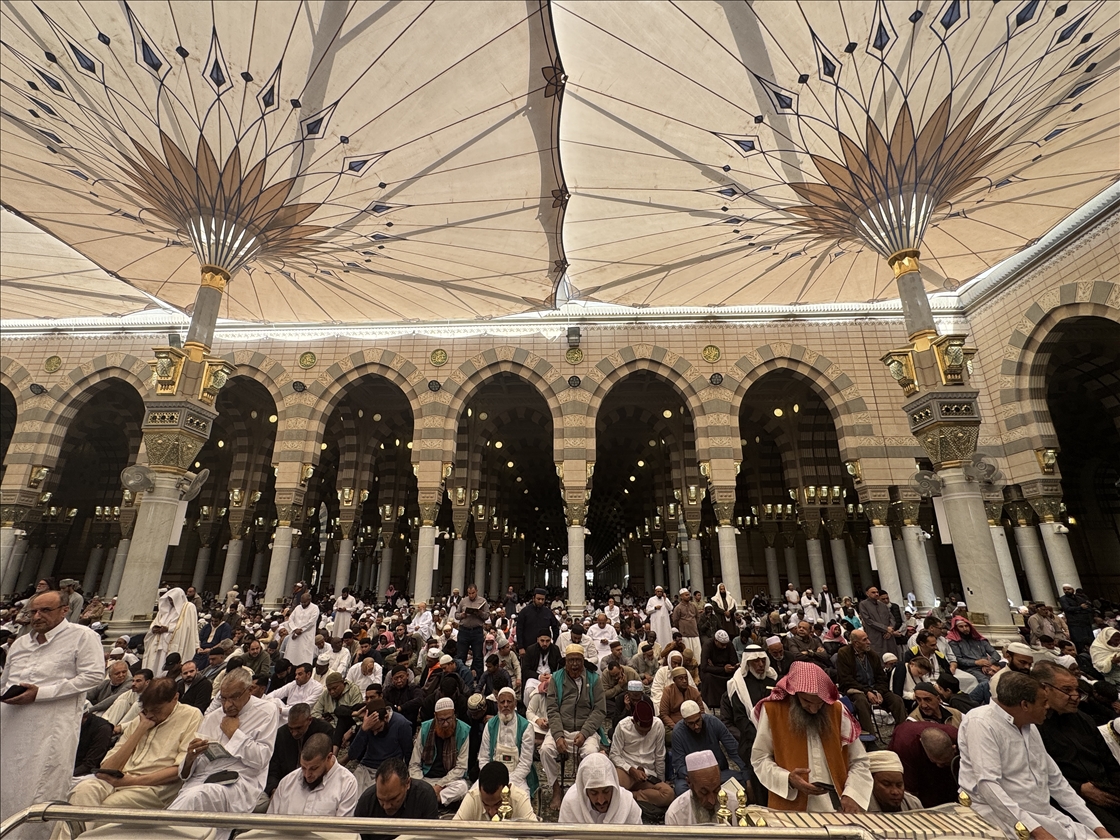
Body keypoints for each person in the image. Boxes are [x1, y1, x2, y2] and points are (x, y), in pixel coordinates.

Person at [1, 590, 105, 840]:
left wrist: (41, 693)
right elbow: (6, 682)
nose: (37, 616)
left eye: (45, 610)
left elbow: (93, 675)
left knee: (40, 786)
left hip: (50, 728)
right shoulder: (21, 643)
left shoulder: (82, 636)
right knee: (6, 783)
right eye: (33, 611)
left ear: (64, 610)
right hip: (11, 725)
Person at [959, 671, 1111, 840]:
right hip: (998, 815)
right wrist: (1036, 831)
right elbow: (988, 784)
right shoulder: (980, 722)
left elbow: (1057, 782)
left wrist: (1098, 828)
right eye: (1044, 702)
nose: (1048, 707)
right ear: (1025, 705)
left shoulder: (1029, 726)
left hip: (1041, 813)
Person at [58, 678, 202, 838]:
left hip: (153, 788)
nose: (151, 714)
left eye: (156, 710)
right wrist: (141, 729)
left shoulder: (191, 715)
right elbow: (108, 767)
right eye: (146, 709)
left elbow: (178, 770)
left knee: (101, 812)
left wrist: (131, 781)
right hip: (118, 779)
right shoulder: (142, 719)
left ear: (175, 698)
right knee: (81, 792)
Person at [169, 670, 280, 838]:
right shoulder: (212, 717)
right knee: (189, 805)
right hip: (201, 779)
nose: (227, 705)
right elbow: (186, 773)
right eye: (223, 698)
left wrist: (234, 734)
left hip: (238, 781)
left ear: (249, 690)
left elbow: (261, 759)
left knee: (196, 797)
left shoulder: (267, 711)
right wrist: (190, 758)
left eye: (234, 697)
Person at [751, 661, 873, 812]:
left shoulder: (836, 709)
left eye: (819, 703)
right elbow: (760, 759)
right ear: (794, 693)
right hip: (790, 809)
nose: (814, 709)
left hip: (837, 807)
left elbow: (859, 760)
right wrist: (787, 779)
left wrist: (852, 794)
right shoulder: (773, 710)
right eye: (807, 701)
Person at [1035, 660, 1120, 835]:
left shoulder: (1084, 719)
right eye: (1067, 690)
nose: (1075, 696)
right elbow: (1038, 775)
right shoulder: (1034, 725)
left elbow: (1109, 763)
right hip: (1069, 799)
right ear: (1045, 689)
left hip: (1106, 791)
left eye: (1077, 691)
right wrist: (1078, 788)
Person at [542, 643, 606, 809]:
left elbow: (599, 710)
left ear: (583, 661)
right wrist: (558, 735)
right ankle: (556, 789)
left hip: (586, 730)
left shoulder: (594, 679)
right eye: (571, 660)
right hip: (562, 728)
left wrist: (584, 733)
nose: (575, 664)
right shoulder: (556, 678)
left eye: (578, 660)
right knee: (546, 750)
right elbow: (552, 709)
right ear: (565, 662)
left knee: (591, 755)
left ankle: (583, 790)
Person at [268, 732, 358, 816]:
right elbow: (271, 821)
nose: (307, 775)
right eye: (303, 767)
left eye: (313, 768)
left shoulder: (347, 783)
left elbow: (342, 826)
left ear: (329, 757)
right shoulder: (287, 782)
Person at [836, 628, 907, 732]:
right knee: (861, 702)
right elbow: (846, 679)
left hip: (875, 689)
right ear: (856, 643)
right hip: (856, 690)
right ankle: (870, 736)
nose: (869, 642)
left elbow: (881, 677)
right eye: (864, 640)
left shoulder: (872, 655)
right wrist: (867, 692)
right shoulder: (844, 653)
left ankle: (902, 732)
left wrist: (878, 691)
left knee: (896, 700)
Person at [609, 697, 674, 807]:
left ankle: (631, 796)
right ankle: (637, 797)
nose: (644, 734)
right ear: (633, 721)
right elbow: (614, 755)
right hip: (626, 771)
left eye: (647, 731)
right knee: (612, 788)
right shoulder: (623, 726)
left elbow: (659, 756)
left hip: (647, 774)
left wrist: (661, 780)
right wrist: (631, 770)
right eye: (641, 731)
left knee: (668, 794)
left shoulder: (658, 725)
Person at [354, 757, 440, 840]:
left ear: (407, 783)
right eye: (381, 800)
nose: (386, 806)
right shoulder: (366, 801)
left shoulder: (424, 795)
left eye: (393, 799)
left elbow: (431, 835)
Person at [409, 696, 471, 807]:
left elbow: (461, 767)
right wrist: (422, 784)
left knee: (462, 787)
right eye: (441, 720)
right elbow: (414, 764)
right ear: (435, 716)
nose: (446, 724)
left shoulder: (463, 730)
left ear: (454, 714)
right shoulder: (425, 728)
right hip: (426, 779)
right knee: (409, 785)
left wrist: (439, 786)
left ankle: (427, 800)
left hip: (448, 781)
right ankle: (434, 799)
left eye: (449, 719)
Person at [265, 703, 334, 797]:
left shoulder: (324, 730)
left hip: (317, 785)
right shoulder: (281, 734)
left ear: (309, 720)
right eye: (291, 729)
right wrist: (273, 790)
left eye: (298, 728)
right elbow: (273, 767)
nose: (294, 733)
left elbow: (325, 765)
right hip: (285, 785)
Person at [477, 686, 536, 796]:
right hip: (492, 776)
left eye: (509, 702)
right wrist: (490, 777)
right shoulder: (490, 726)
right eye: (502, 702)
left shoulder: (526, 727)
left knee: (522, 798)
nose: (505, 705)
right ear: (497, 704)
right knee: (474, 794)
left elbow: (525, 763)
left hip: (517, 777)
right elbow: (483, 757)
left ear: (515, 704)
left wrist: (508, 781)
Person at [558, 751, 643, 825]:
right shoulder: (571, 803)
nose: (601, 801)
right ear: (584, 791)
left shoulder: (627, 804)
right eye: (594, 793)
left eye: (606, 791)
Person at [889, 720, 959, 807]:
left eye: (944, 763)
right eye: (936, 762)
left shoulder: (957, 737)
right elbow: (909, 790)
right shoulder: (905, 745)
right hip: (915, 761)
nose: (939, 766)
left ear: (954, 748)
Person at [453, 760, 537, 822]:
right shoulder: (473, 797)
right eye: (486, 805)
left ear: (508, 789)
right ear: (479, 790)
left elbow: (535, 834)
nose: (492, 812)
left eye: (497, 804)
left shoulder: (519, 799)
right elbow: (453, 831)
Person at [143, 587, 200, 675]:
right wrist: (154, 628)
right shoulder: (165, 609)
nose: (170, 602)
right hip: (159, 642)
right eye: (169, 599)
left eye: (172, 599)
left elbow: (188, 627)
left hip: (174, 642)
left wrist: (168, 629)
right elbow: (156, 622)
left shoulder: (188, 607)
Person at [665, 749, 722, 825]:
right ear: (689, 783)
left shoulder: (734, 803)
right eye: (704, 793)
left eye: (716, 791)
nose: (712, 801)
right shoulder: (676, 814)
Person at [946, 615, 1000, 684]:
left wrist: (988, 663)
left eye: (966, 626)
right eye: (961, 627)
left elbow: (995, 654)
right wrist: (976, 662)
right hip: (970, 668)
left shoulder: (979, 639)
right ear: (956, 629)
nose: (965, 629)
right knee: (986, 682)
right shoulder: (954, 642)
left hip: (988, 665)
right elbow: (958, 660)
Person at [456, 584, 489, 679]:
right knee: (461, 655)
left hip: (477, 631)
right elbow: (456, 615)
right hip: (464, 630)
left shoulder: (483, 601)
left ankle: (479, 680)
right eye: (469, 593)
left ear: (476, 591)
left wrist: (480, 613)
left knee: (478, 656)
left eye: (473, 593)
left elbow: (487, 616)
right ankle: (460, 678)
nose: (471, 595)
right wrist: (462, 615)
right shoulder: (463, 601)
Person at [74, 703, 114, 779]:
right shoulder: (68, 726)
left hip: (85, 774)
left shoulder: (102, 729)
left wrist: (66, 775)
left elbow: (89, 765)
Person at [857, 586, 898, 658]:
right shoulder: (863, 604)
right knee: (878, 658)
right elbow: (868, 621)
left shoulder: (883, 605)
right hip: (876, 637)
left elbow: (892, 618)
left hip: (889, 636)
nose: (876, 594)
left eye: (877, 592)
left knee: (892, 657)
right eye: (873, 592)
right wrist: (885, 629)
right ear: (867, 593)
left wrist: (890, 630)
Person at [284, 592, 320, 668]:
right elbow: (291, 619)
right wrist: (294, 629)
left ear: (309, 600)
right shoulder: (298, 608)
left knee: (304, 655)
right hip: (294, 634)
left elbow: (311, 622)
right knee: (291, 653)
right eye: (301, 602)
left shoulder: (315, 608)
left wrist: (300, 631)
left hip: (306, 635)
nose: (303, 604)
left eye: (305, 602)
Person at [672, 588, 702, 660]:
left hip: (694, 632)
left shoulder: (693, 606)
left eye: (689, 595)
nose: (688, 596)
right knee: (687, 652)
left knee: (697, 652)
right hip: (684, 634)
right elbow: (675, 620)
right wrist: (682, 626)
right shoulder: (678, 608)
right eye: (686, 595)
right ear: (681, 596)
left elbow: (697, 617)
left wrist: (693, 624)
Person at [646, 585, 673, 651]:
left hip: (665, 623)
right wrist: (655, 608)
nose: (659, 593)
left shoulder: (665, 599)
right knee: (657, 636)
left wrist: (665, 599)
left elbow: (671, 608)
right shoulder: (651, 600)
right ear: (655, 592)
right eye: (658, 591)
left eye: (661, 591)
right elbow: (647, 610)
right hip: (656, 623)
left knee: (666, 635)